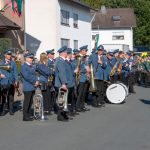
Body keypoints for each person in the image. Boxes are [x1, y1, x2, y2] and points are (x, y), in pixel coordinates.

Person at [20, 53, 39, 121]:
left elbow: (35, 75)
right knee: (27, 102)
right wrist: (35, 81)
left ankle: (28, 114)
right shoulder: (23, 66)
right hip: (27, 87)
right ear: (26, 59)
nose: (32, 59)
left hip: (32, 86)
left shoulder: (32, 66)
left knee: (30, 101)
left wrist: (37, 80)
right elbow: (27, 76)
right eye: (30, 58)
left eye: (32, 58)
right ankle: (25, 116)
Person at [0, 49, 18, 116]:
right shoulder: (1, 62)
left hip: (11, 82)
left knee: (11, 96)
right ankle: (3, 110)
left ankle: (11, 109)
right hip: (3, 82)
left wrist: (16, 80)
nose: (9, 56)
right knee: (3, 97)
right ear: (5, 55)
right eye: (8, 54)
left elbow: (15, 72)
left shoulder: (13, 63)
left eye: (10, 54)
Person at [55, 46, 70, 121]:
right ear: (64, 53)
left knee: (64, 100)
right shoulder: (61, 61)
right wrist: (64, 83)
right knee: (61, 100)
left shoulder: (62, 60)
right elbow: (62, 73)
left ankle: (63, 114)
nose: (67, 53)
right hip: (61, 83)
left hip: (62, 83)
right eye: (66, 52)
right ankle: (60, 116)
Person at [75, 45, 90, 112]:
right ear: (82, 51)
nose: (86, 52)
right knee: (80, 93)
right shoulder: (79, 57)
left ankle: (82, 106)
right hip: (81, 77)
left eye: (86, 50)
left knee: (84, 93)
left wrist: (88, 70)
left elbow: (86, 65)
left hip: (85, 77)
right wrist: (86, 69)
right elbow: (78, 68)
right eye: (85, 50)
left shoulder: (85, 57)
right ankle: (77, 106)